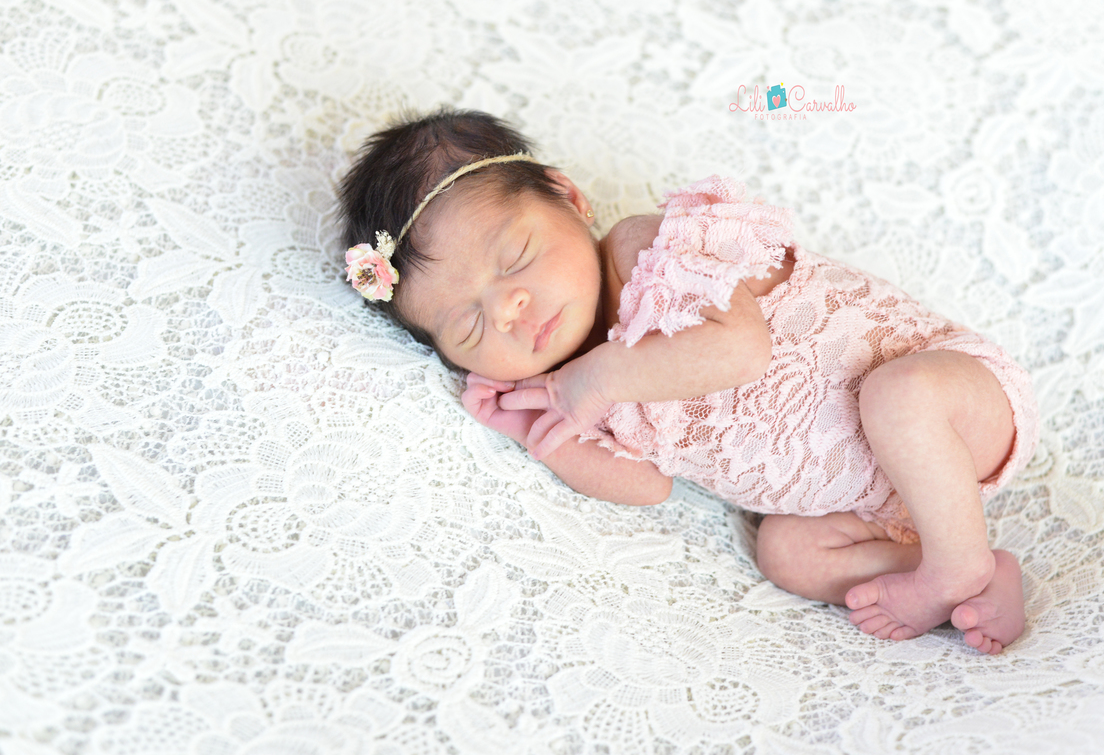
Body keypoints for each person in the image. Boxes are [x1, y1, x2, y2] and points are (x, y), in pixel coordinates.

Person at [337, 107, 1040, 654]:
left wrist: (603, 377)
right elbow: (647, 486)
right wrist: (538, 432)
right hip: (892, 504)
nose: (510, 311)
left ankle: (953, 562)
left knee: (900, 397)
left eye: (515, 256)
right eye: (469, 328)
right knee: (785, 553)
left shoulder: (647, 252)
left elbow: (740, 351)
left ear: (568, 197)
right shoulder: (579, 392)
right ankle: (967, 576)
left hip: (956, 401)